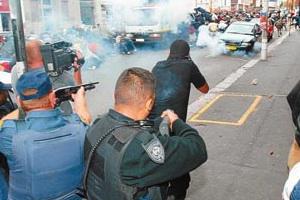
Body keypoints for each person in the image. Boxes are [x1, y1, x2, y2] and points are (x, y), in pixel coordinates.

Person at [84, 67, 207, 200]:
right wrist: (175, 122)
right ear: (149, 103)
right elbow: (198, 148)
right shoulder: (140, 148)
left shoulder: (97, 124)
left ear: (116, 95)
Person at [0, 71, 91, 199]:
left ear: (19, 101)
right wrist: (80, 101)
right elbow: (84, 118)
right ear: (53, 96)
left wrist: (24, 107)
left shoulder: (10, 133)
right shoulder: (78, 127)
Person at [149, 39, 209, 200]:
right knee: (180, 165)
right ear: (187, 54)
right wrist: (191, 63)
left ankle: (163, 189)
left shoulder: (157, 65)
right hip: (173, 122)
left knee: (158, 157)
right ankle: (176, 193)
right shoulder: (188, 66)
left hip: (153, 122)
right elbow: (205, 89)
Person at [10, 39, 83, 118]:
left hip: (31, 120)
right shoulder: (54, 71)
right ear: (44, 54)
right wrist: (77, 69)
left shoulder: (17, 70)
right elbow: (78, 91)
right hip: (62, 119)